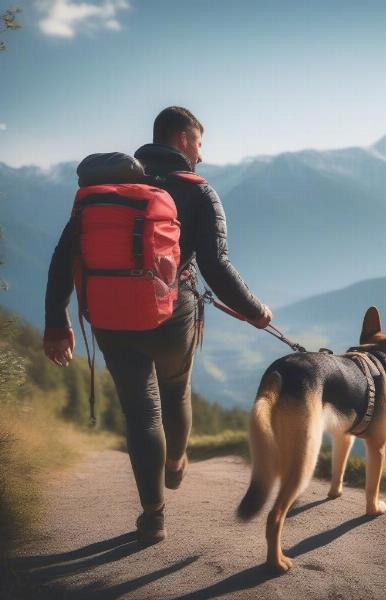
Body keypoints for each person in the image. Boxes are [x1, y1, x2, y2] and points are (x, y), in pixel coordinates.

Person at [43, 106, 272, 544]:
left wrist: (57, 321)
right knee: (175, 390)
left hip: (109, 315)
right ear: (183, 139)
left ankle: (152, 516)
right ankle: (176, 461)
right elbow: (216, 266)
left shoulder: (104, 190)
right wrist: (255, 311)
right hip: (172, 315)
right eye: (199, 144)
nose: (202, 156)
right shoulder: (198, 191)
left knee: (140, 412)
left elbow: (63, 256)